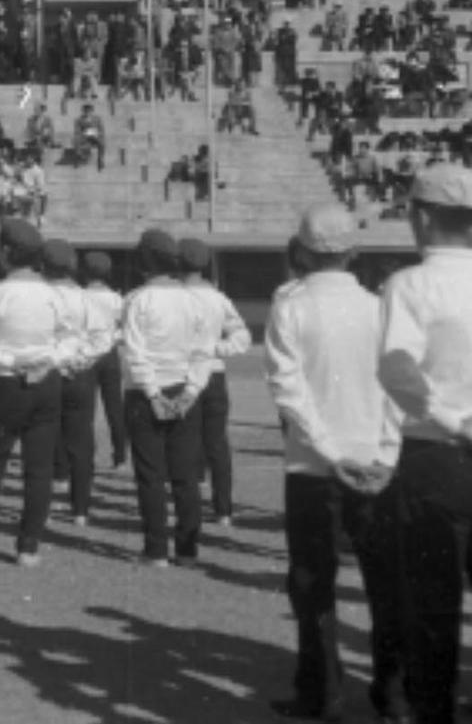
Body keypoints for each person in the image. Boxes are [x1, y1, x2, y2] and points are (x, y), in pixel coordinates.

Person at [264, 203, 404, 722]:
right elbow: (400, 390)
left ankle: (321, 693)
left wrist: (328, 451)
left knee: (312, 581)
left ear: (301, 250)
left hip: (312, 466)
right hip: (377, 463)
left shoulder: (290, 305)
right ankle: (393, 694)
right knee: (386, 583)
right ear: (355, 251)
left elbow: (287, 388)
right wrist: (385, 453)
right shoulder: (380, 307)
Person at [377, 163, 472, 722]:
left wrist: (454, 419)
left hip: (438, 454)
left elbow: (398, 374)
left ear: (424, 215)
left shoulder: (408, 284)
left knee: (433, 606)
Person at [0, 219, 77, 568]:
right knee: (38, 468)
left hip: (6, 383)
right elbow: (71, 340)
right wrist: (46, 361)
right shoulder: (54, 293)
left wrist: (10, 360)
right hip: (46, 382)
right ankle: (28, 548)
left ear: (5, 252)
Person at [121, 228, 209, 567]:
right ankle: (187, 549)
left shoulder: (138, 299)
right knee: (185, 475)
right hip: (184, 388)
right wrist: (190, 392)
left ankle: (156, 549)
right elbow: (204, 351)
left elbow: (134, 352)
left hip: (146, 394)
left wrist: (153, 393)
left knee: (150, 474)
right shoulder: (193, 299)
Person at [181, 235, 250, 528]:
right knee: (216, 442)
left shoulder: (172, 298)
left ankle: (188, 503)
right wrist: (217, 349)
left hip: (183, 374)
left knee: (184, 441)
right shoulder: (219, 299)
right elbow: (241, 337)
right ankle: (223, 509)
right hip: (213, 373)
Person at [44, 241, 113, 525]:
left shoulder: (41, 297)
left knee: (44, 439)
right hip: (80, 373)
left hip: (47, 372)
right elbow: (103, 338)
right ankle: (80, 508)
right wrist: (80, 359)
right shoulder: (86, 299)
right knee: (81, 439)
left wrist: (58, 361)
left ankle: (42, 504)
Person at [78, 251, 128, 469]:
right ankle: (120, 455)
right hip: (109, 356)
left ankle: (88, 454)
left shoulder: (79, 296)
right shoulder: (118, 299)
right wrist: (111, 340)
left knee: (85, 409)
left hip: (86, 354)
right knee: (114, 406)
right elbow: (123, 329)